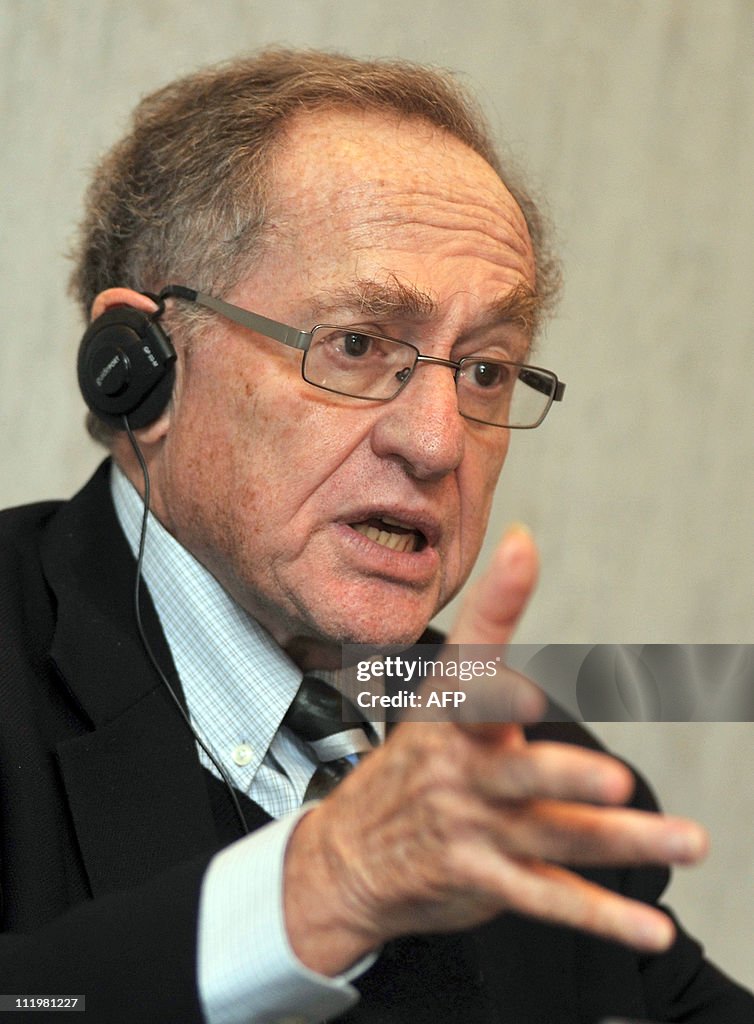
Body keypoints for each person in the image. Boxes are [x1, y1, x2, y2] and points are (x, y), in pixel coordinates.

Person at [0, 48, 751, 1024]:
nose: (438, 440)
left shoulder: (516, 762)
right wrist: (314, 890)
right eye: (355, 344)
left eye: (484, 370)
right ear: (138, 368)